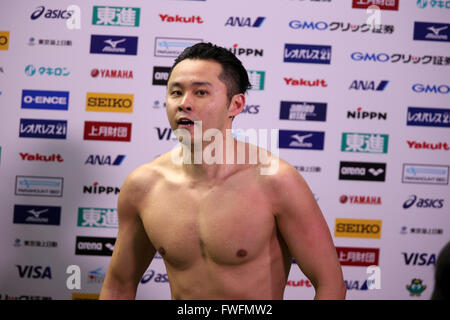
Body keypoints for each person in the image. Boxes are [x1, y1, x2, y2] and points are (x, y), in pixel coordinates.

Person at [99, 42, 346, 300]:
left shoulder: (276, 181)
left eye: (201, 93)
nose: (184, 103)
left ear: (235, 105)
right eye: (175, 92)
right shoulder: (144, 185)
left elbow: (330, 284)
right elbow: (118, 286)